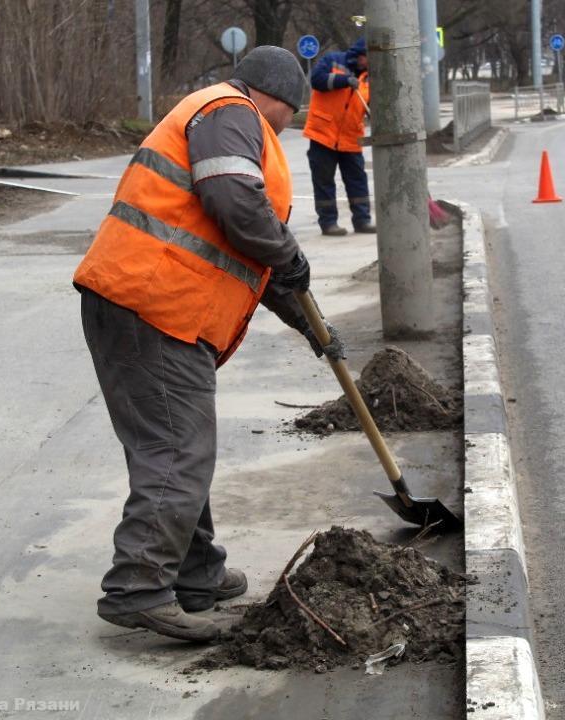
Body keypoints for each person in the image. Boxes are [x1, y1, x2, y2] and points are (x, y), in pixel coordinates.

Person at [72, 46, 345, 643]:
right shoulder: (231, 111)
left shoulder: (228, 118)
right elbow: (236, 205)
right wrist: (289, 256)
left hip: (153, 306)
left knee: (180, 446)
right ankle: (138, 587)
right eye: (292, 113)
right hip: (150, 304)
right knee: (178, 449)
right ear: (274, 95)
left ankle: (196, 574)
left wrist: (310, 324)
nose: (291, 125)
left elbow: (246, 250)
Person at [303, 38, 376, 237]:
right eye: (366, 57)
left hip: (351, 137)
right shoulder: (333, 61)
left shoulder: (371, 77)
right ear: (359, 54)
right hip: (323, 134)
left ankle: (362, 220)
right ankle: (328, 223)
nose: (368, 61)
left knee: (357, 181)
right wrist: (343, 81)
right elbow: (317, 80)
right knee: (324, 181)